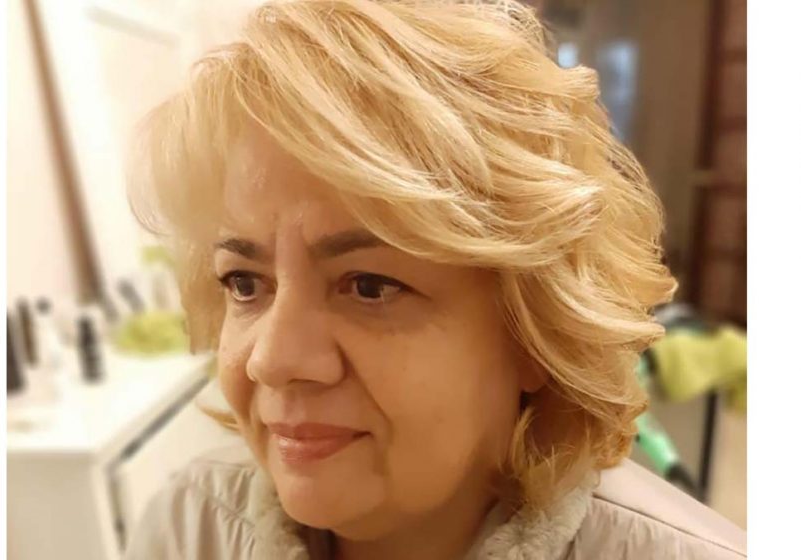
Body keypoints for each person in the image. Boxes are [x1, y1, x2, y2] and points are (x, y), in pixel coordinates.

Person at [125, 1, 746, 558]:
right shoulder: (188, 529)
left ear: (534, 333)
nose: (272, 360)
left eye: (369, 285)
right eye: (244, 283)